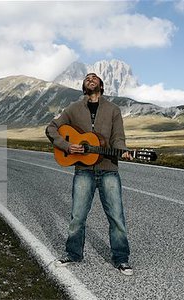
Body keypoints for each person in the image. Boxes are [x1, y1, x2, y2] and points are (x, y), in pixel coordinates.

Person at [45, 73, 134, 276]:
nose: (90, 79)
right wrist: (67, 145)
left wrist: (124, 151)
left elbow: (118, 138)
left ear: (101, 86)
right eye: (87, 78)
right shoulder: (73, 109)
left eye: (95, 78)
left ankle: (121, 258)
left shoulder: (113, 110)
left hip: (109, 170)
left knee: (116, 217)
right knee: (77, 216)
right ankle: (73, 254)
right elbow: (52, 128)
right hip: (83, 170)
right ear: (84, 87)